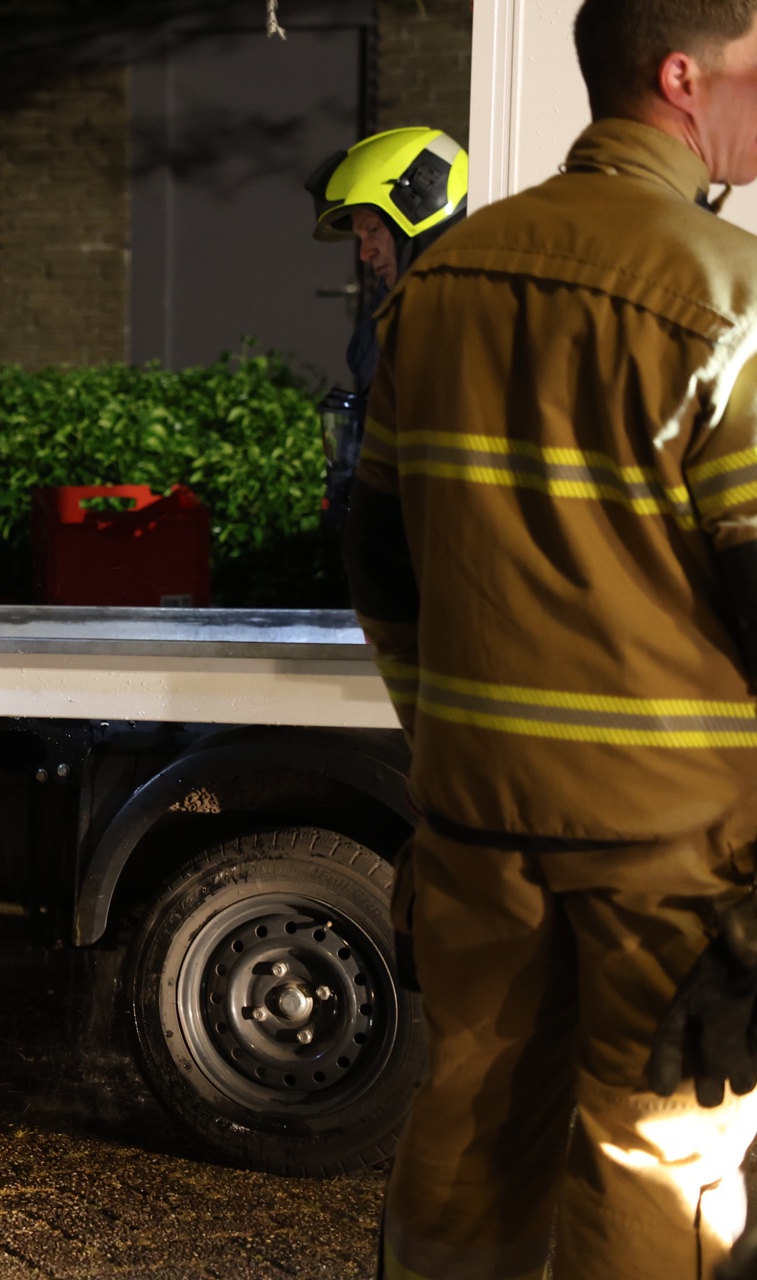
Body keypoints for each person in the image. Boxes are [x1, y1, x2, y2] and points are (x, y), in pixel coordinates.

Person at [343, 0, 757, 1274]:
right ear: (682, 78)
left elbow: (383, 573)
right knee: (658, 1161)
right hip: (677, 859)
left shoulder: (441, 287)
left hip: (476, 828)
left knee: (465, 1138)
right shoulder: (724, 296)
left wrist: (448, 762)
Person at [303, 128, 467, 523]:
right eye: (360, 236)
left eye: (373, 230)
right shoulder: (402, 307)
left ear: (420, 207)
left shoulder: (465, 312)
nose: (365, 252)